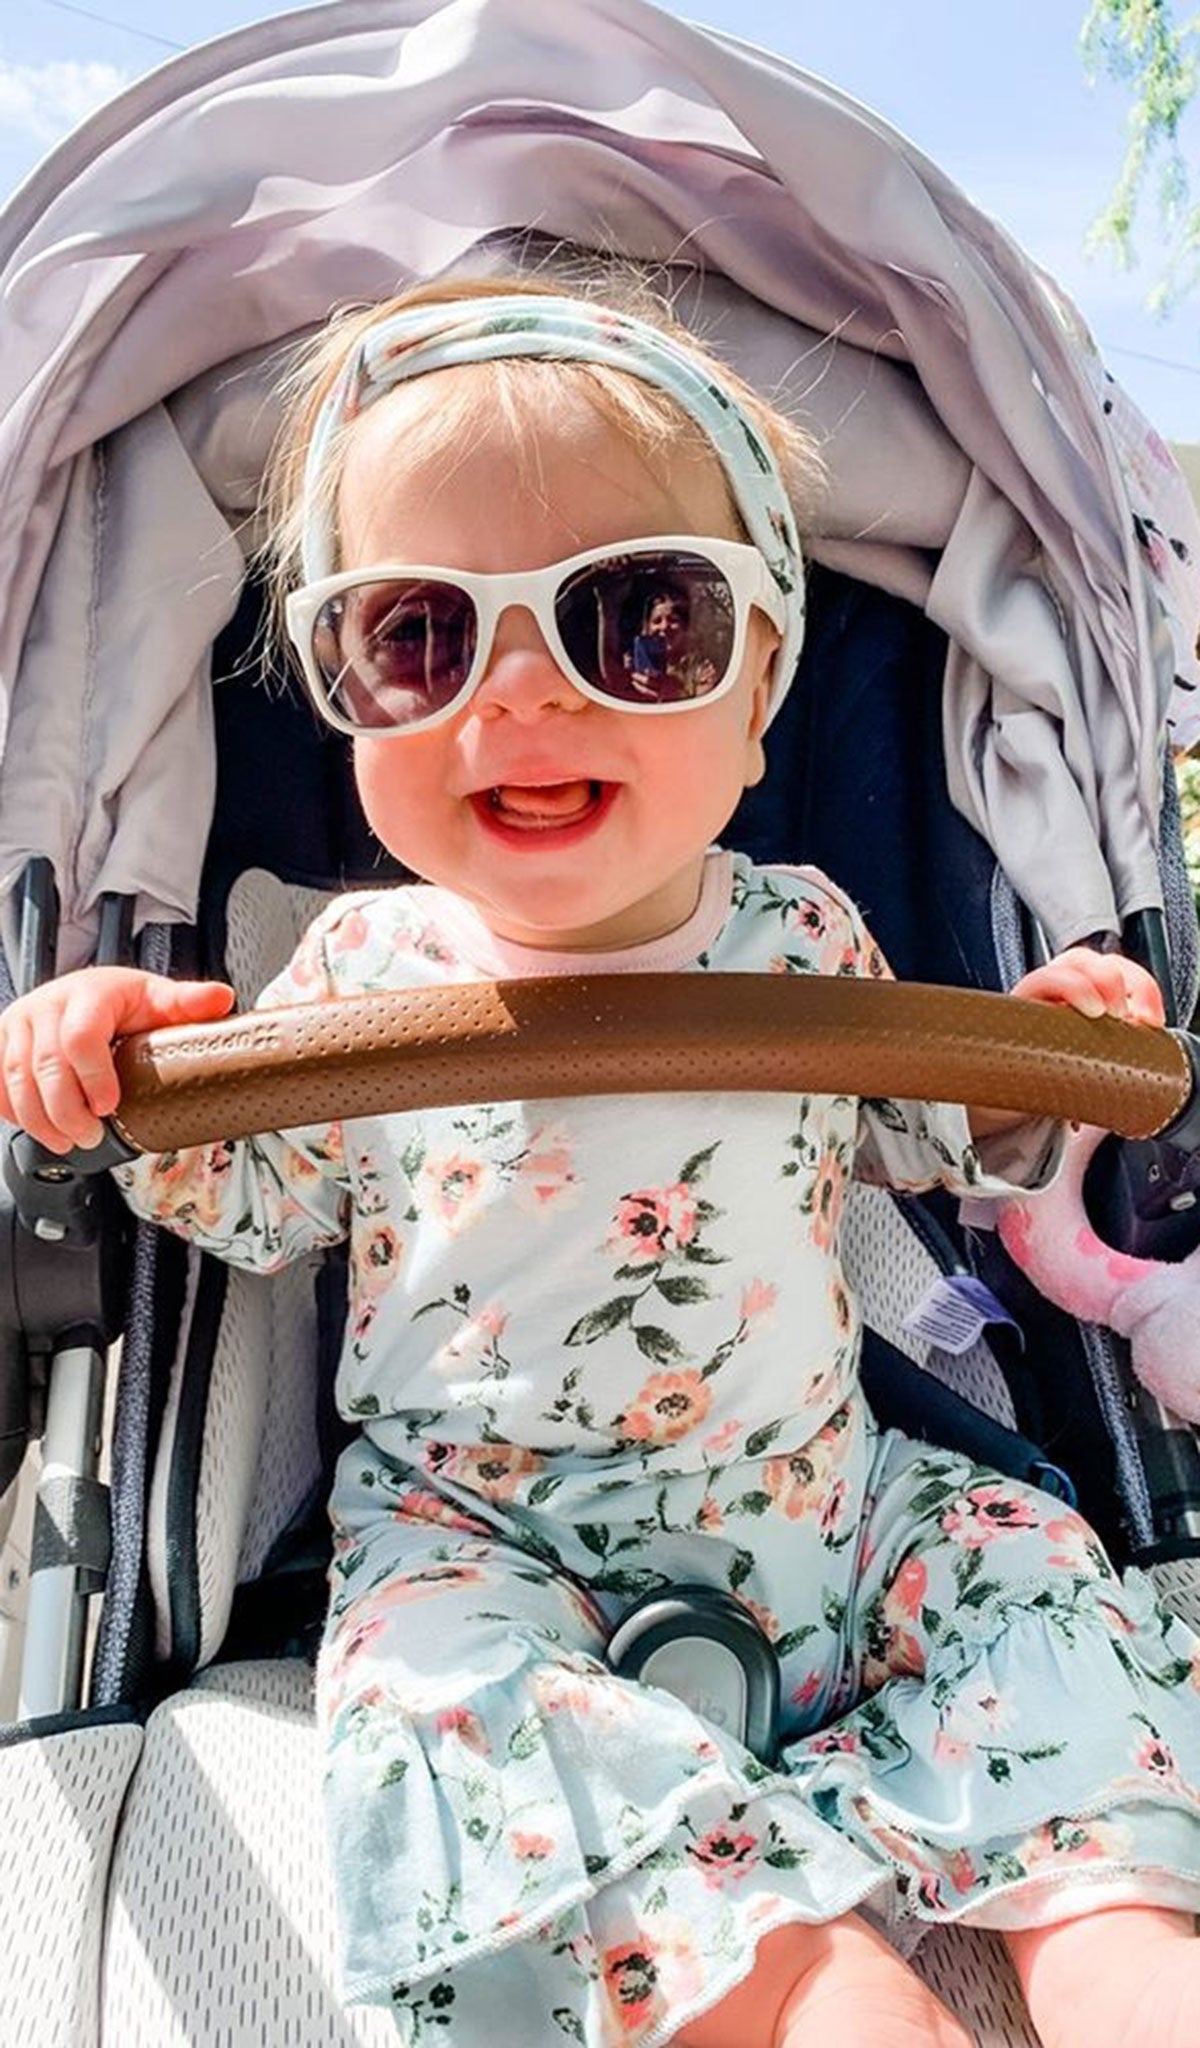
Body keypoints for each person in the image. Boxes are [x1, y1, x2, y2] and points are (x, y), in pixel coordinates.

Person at [2, 272, 1199, 2048]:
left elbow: (932, 1134)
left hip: (822, 1513)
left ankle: (1124, 1952)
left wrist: (1045, 1040)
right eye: (418, 636)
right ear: (344, 697)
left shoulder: (804, 936)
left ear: (764, 679)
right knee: (445, 1711)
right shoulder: (353, 980)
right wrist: (112, 1069)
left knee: (1033, 1572)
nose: (524, 702)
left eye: (643, 626)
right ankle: (807, 1991)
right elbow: (255, 1205)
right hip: (491, 1558)